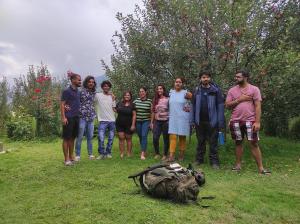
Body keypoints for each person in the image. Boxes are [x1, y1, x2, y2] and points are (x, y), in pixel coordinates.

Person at [225, 70, 271, 174]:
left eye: (238, 77)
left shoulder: (254, 89)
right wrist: (239, 100)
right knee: (238, 142)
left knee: (254, 143)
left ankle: (261, 168)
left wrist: (257, 122)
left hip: (250, 121)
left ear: (245, 77)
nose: (236, 78)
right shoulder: (232, 90)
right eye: (235, 77)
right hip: (235, 120)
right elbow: (227, 105)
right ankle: (237, 166)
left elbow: (258, 106)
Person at [191, 71, 225, 169]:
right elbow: (192, 106)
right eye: (203, 77)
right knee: (200, 141)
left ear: (210, 78)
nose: (205, 79)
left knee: (213, 142)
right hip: (199, 121)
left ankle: (214, 162)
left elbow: (220, 106)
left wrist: (220, 121)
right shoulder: (196, 90)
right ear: (200, 79)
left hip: (212, 121)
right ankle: (199, 160)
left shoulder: (216, 90)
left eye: (207, 77)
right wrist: (192, 120)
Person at [168, 77, 192, 162]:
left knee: (182, 137)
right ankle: (171, 156)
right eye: (176, 82)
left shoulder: (186, 93)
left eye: (180, 82)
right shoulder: (171, 92)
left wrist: (190, 96)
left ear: (182, 84)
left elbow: (190, 102)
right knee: (173, 136)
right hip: (173, 117)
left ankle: (181, 155)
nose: (178, 83)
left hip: (183, 118)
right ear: (174, 83)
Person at [60, 72, 81, 166]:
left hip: (76, 117)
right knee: (66, 138)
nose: (80, 81)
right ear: (73, 80)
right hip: (68, 117)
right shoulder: (66, 91)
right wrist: (63, 117)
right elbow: (62, 104)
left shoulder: (78, 91)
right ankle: (66, 159)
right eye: (79, 80)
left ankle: (71, 156)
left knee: (72, 138)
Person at [74, 76, 96, 161]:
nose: (91, 83)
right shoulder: (81, 92)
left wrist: (111, 95)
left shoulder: (94, 93)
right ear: (86, 83)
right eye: (90, 82)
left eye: (93, 82)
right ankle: (77, 155)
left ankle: (90, 154)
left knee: (90, 137)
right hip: (82, 117)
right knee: (79, 137)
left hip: (91, 117)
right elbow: (75, 102)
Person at [95, 80, 116, 159]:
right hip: (102, 121)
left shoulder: (112, 96)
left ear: (109, 87)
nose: (106, 87)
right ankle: (101, 153)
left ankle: (108, 152)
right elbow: (90, 101)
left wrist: (114, 99)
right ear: (102, 87)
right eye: (104, 86)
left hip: (112, 121)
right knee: (101, 138)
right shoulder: (98, 95)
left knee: (111, 138)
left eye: (107, 86)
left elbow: (114, 108)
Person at [150, 84, 169, 160]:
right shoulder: (155, 99)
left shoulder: (168, 99)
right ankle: (157, 153)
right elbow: (153, 112)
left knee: (166, 138)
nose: (159, 90)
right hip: (157, 121)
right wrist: (151, 122)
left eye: (161, 89)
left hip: (166, 121)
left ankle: (165, 154)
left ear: (163, 90)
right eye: (158, 89)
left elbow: (171, 110)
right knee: (155, 138)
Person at [115, 91, 136, 158]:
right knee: (121, 138)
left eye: (128, 95)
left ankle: (129, 153)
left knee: (128, 139)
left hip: (129, 124)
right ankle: (122, 153)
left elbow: (134, 115)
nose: (127, 96)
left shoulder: (132, 105)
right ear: (123, 96)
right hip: (119, 124)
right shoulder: (119, 103)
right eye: (125, 95)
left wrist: (133, 125)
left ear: (130, 96)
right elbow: (115, 110)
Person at [133, 87, 152, 160]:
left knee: (144, 135)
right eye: (140, 91)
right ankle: (144, 150)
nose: (141, 93)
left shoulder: (149, 101)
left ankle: (142, 153)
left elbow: (151, 112)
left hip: (146, 121)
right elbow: (131, 109)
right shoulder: (136, 101)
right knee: (140, 136)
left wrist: (151, 122)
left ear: (146, 92)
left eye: (143, 91)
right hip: (138, 121)